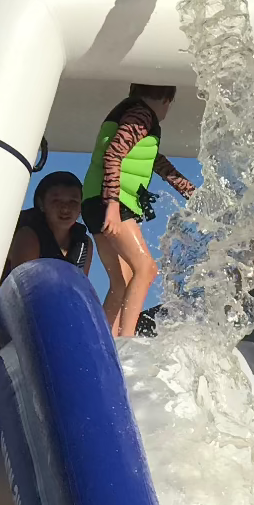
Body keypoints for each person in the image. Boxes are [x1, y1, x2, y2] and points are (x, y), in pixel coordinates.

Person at [81, 85, 196, 337]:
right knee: (146, 268)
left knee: (121, 280)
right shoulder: (141, 116)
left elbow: (156, 162)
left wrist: (191, 192)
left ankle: (104, 338)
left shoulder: (133, 116)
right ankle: (127, 338)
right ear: (167, 99)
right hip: (111, 201)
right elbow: (114, 154)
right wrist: (111, 203)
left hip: (94, 200)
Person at [3, 170, 93, 277]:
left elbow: (79, 288)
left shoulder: (84, 243)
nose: (65, 209)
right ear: (41, 203)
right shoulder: (27, 235)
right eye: (56, 201)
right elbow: (24, 287)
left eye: (73, 202)